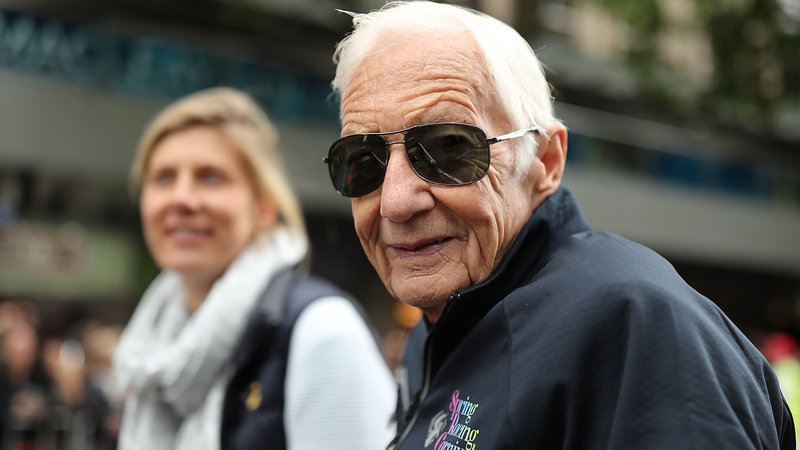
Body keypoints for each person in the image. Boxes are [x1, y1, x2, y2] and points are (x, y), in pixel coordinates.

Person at [324, 2, 794, 449]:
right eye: (363, 161)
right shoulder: (433, 335)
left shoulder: (633, 324)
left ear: (545, 161)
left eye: (449, 148)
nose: (395, 202)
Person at [113, 87, 396, 450]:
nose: (181, 199)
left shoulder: (324, 331)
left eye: (210, 176)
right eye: (163, 178)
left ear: (264, 208)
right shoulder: (152, 345)